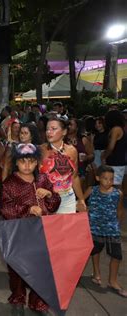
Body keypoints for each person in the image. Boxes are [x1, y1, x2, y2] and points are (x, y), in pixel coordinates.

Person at [0, 143, 61, 314]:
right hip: (19, 234)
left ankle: (38, 302)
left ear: (37, 163)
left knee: (41, 269)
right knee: (17, 270)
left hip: (41, 233)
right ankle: (18, 298)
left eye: (31, 161)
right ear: (16, 163)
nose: (27, 165)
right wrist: (28, 209)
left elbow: (54, 204)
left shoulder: (43, 180)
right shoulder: (10, 183)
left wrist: (49, 194)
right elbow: (6, 209)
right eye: (23, 161)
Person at [85, 165, 126, 297]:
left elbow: (119, 210)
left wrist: (117, 225)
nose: (109, 181)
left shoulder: (118, 193)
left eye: (111, 179)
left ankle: (113, 281)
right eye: (105, 178)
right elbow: (82, 203)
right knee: (95, 251)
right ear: (98, 178)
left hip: (112, 230)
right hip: (94, 229)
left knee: (116, 255)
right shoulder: (91, 190)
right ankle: (96, 274)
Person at [39, 117, 86, 214]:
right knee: (49, 229)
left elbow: (74, 176)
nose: (49, 132)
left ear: (64, 132)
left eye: (53, 129)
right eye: (47, 129)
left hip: (67, 197)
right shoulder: (40, 150)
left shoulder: (72, 151)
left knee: (67, 229)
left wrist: (81, 199)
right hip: (46, 198)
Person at [102, 110, 126, 188]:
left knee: (116, 187)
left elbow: (111, 147)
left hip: (116, 162)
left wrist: (104, 156)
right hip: (116, 161)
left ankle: (120, 200)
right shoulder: (118, 129)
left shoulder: (116, 129)